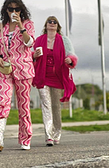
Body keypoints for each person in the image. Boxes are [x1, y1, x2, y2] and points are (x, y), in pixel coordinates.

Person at [0, 0, 35, 151]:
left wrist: (21, 26)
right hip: (5, 69)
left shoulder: (28, 24)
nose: (14, 11)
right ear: (6, 10)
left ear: (21, 10)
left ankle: (25, 138)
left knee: (23, 106)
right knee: (3, 101)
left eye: (17, 9)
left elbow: (29, 43)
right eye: (11, 9)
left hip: (24, 69)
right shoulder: (0, 26)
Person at [32, 16, 78, 146]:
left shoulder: (64, 40)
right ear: (46, 25)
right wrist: (33, 55)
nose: (52, 24)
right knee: (46, 106)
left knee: (55, 106)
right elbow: (31, 55)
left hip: (58, 77)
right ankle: (49, 136)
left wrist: (69, 59)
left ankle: (57, 132)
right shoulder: (39, 40)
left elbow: (71, 54)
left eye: (54, 22)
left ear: (58, 26)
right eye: (49, 22)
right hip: (43, 76)